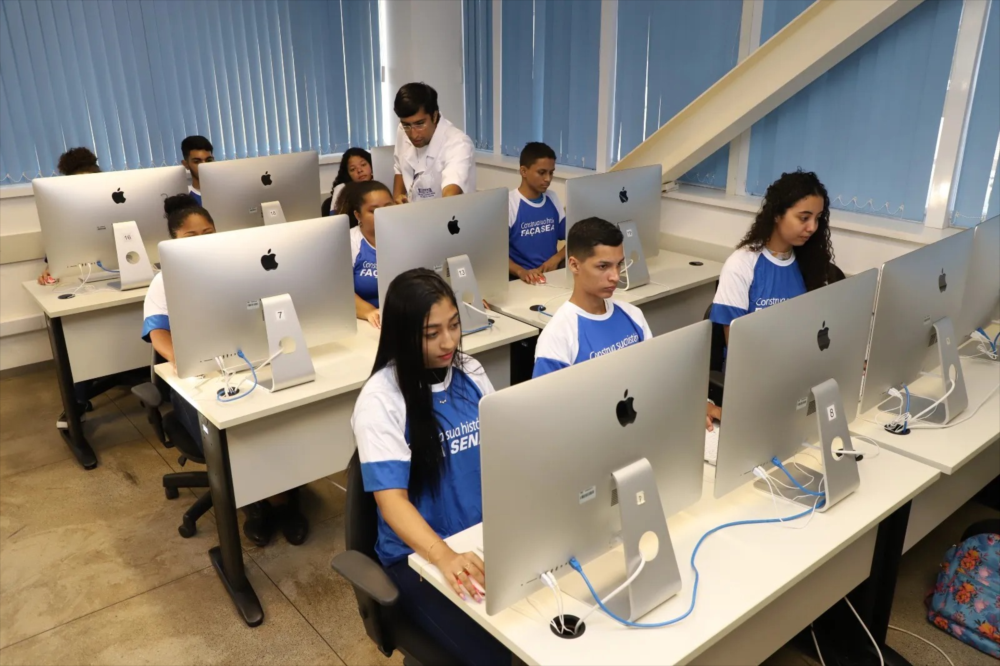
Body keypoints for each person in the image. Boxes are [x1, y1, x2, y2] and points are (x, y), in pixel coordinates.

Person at [351, 268, 510, 666]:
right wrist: (443, 556)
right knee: (491, 658)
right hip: (419, 558)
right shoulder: (381, 399)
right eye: (432, 333)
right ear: (403, 335)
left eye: (454, 325)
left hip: (481, 537)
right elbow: (392, 502)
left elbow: (503, 452)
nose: (449, 341)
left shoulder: (470, 372)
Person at [142, 193, 309, 548]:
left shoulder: (240, 266)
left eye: (208, 232)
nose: (202, 240)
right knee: (230, 430)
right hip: (200, 376)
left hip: (249, 361)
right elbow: (158, 334)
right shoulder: (164, 281)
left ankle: (283, 495)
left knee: (281, 414)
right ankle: (255, 504)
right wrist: (186, 364)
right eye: (191, 235)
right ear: (173, 241)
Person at [708, 170, 839, 428]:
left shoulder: (813, 265)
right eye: (804, 218)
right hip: (756, 389)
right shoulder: (742, 264)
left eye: (817, 218)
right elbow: (739, 351)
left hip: (802, 380)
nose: (812, 227)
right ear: (778, 214)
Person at [532, 217, 652, 378]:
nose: (615, 276)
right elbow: (548, 394)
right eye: (603, 266)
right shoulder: (558, 336)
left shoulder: (634, 315)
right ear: (574, 265)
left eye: (619, 264)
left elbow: (650, 376)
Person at [391, 82, 475, 204]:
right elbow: (399, 168)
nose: (413, 134)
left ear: (434, 116)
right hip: (413, 212)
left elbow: (450, 194)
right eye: (406, 125)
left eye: (420, 124)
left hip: (446, 213)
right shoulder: (402, 129)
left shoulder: (459, 144)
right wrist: (396, 203)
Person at [37, 148, 102, 285]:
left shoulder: (117, 204)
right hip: (80, 282)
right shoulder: (61, 215)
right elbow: (56, 261)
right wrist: (50, 271)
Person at [508, 142, 566, 284]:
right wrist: (521, 272)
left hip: (551, 276)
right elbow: (494, 254)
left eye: (551, 173)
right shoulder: (509, 204)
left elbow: (576, 239)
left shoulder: (552, 198)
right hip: (520, 279)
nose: (548, 179)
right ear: (523, 171)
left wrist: (556, 259)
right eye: (542, 172)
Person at [341, 181, 393, 329]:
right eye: (374, 210)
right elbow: (339, 291)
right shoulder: (348, 241)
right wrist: (369, 312)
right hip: (364, 322)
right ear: (358, 215)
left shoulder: (407, 236)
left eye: (388, 207)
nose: (383, 214)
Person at [329, 147, 373, 215]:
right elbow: (335, 219)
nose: (359, 170)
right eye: (353, 169)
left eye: (363, 165)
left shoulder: (380, 184)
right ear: (347, 174)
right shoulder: (342, 189)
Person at [180, 135, 215, 205]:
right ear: (186, 164)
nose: (204, 166)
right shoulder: (185, 199)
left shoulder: (225, 191)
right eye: (197, 161)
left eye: (209, 160)